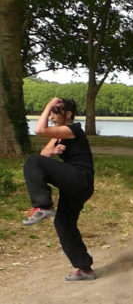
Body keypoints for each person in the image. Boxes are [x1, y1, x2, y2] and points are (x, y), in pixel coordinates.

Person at [22, 97, 97, 281]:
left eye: (55, 113)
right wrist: (53, 151)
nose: (52, 117)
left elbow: (39, 130)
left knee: (31, 160)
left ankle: (44, 206)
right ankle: (85, 268)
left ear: (68, 114)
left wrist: (49, 104)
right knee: (63, 224)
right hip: (73, 185)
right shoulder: (59, 135)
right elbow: (43, 156)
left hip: (80, 179)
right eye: (52, 113)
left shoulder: (73, 129)